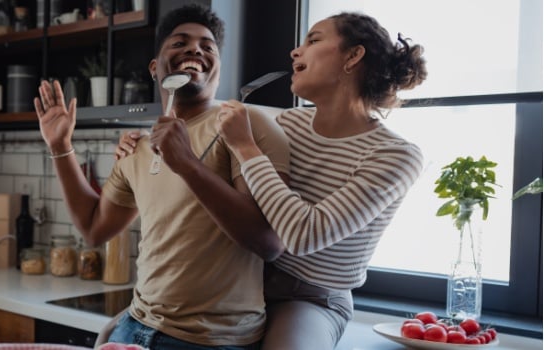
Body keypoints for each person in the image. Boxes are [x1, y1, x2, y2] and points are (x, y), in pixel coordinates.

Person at [116, 11, 427, 349]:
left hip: (311, 298)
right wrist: (140, 142)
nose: (295, 51)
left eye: (314, 40)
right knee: (115, 334)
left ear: (353, 56)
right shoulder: (288, 124)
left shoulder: (396, 155)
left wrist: (247, 147)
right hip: (243, 289)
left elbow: (303, 236)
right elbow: (200, 120)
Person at [34, 4, 291, 350]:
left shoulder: (245, 126)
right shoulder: (138, 147)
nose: (195, 49)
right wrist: (61, 147)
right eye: (179, 42)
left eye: (207, 46)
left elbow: (270, 241)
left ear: (218, 66)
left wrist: (185, 162)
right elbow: (95, 227)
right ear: (155, 68)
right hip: (134, 327)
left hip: (208, 341)